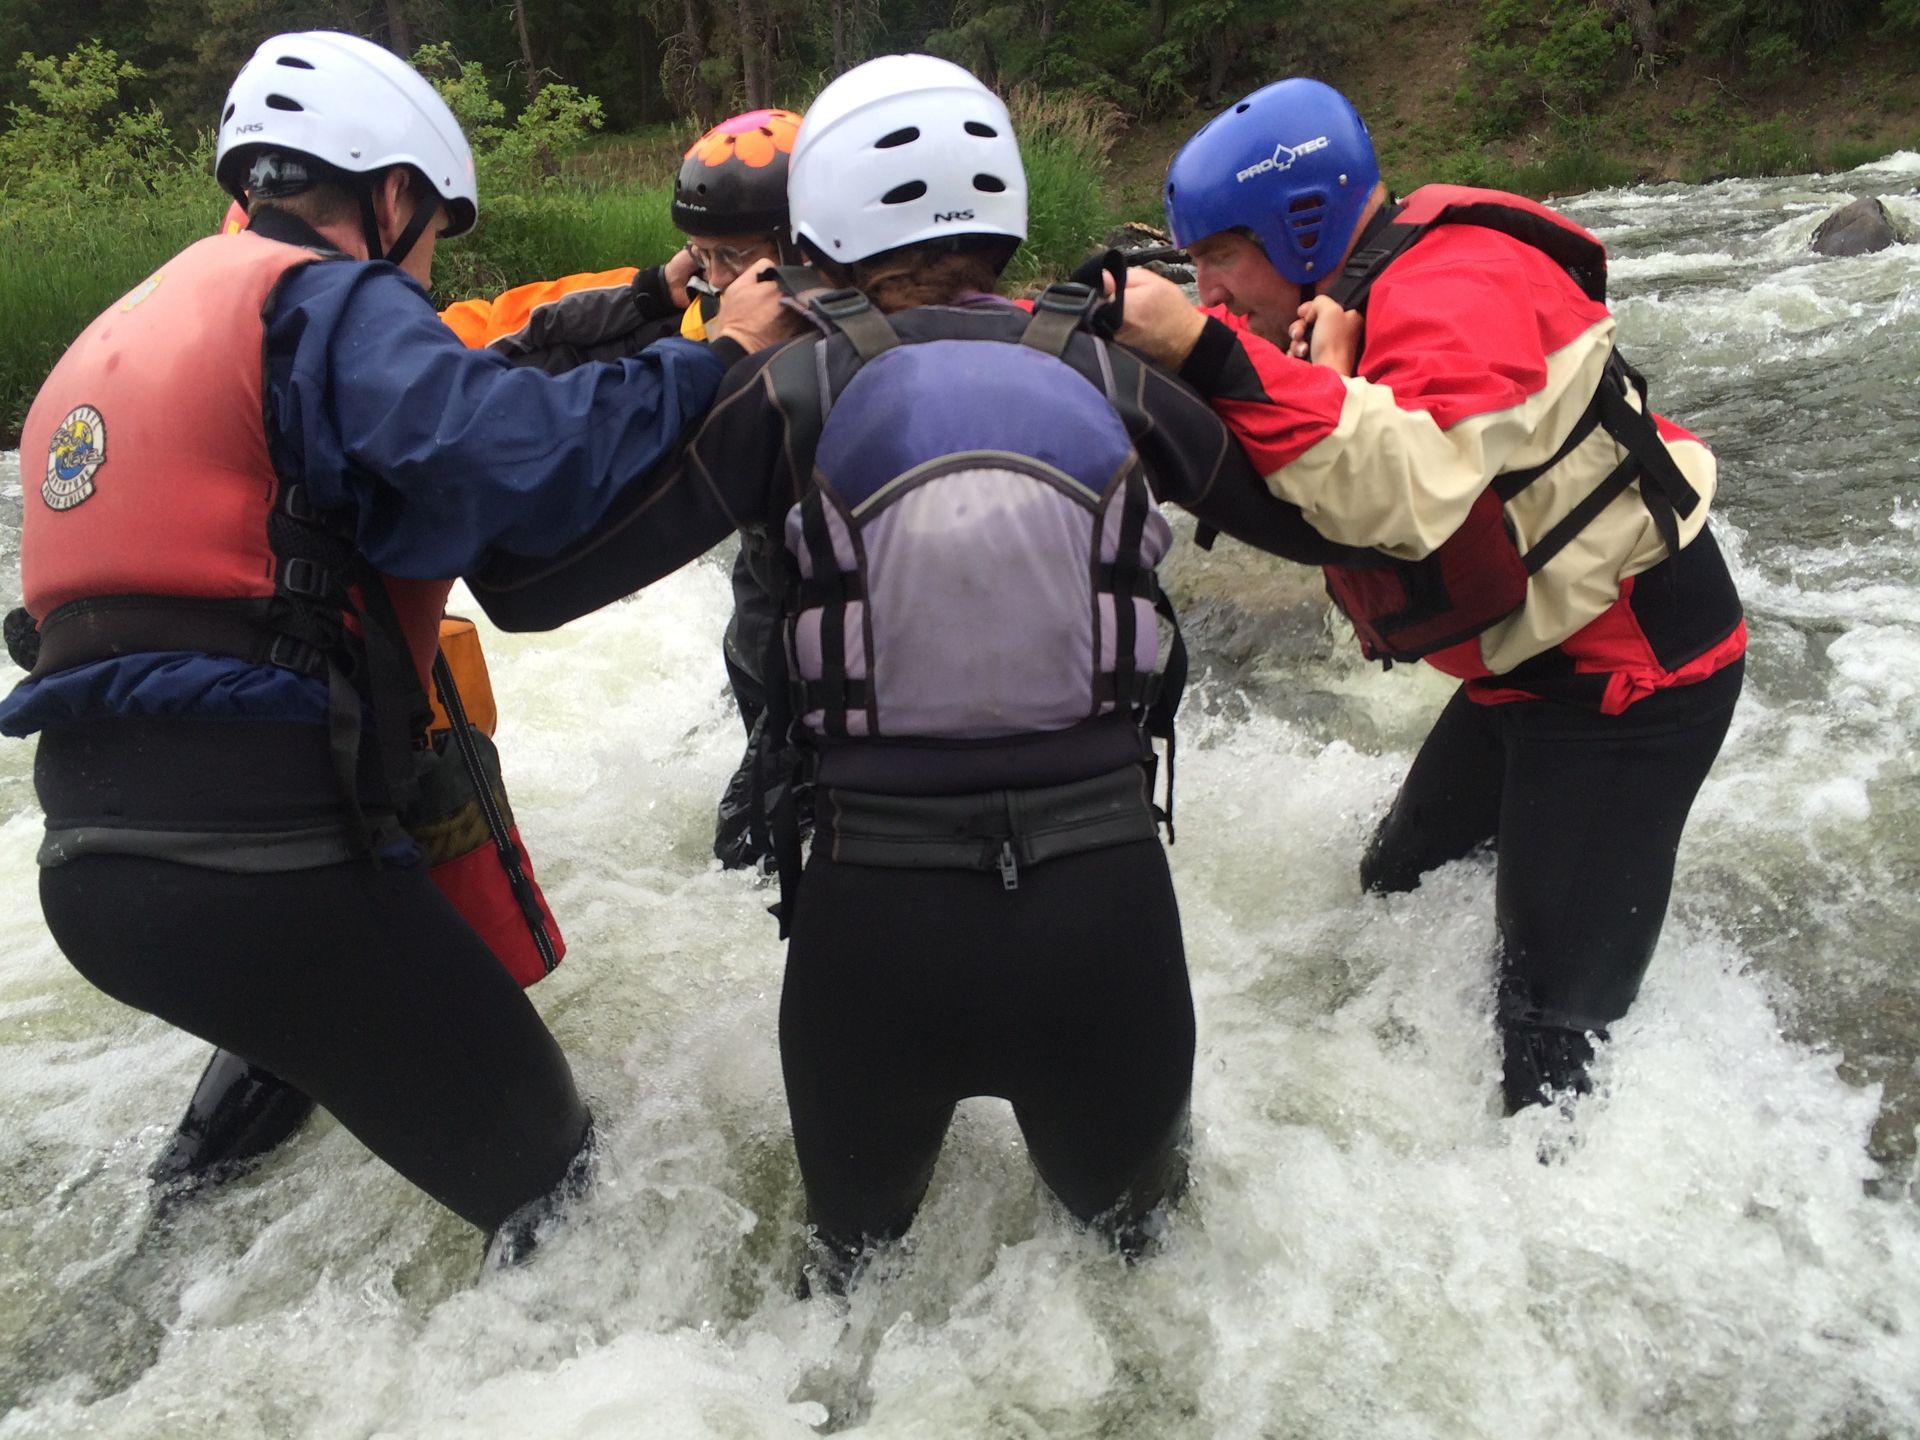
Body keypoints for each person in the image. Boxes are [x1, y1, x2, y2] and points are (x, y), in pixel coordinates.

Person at [467, 55, 1346, 1290]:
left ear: (817, 224)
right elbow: (1323, 528)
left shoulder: (791, 387)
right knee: (1148, 1288)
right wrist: (1227, 357)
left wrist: (713, 356)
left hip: (873, 931)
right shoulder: (1107, 369)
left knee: (846, 1303)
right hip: (1106, 918)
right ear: (1001, 213)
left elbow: (530, 588)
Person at [1, 29, 786, 1259]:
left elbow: (476, 374)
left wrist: (646, 303)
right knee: (566, 1202)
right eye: (430, 237)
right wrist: (724, 356)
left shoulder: (127, 328)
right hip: (269, 858)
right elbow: (519, 456)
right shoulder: (328, 295)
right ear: (393, 192)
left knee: (306, 1033)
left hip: (93, 873)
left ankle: (154, 1271)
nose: (420, 278)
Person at [1118, 77, 1747, 1113]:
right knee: (1396, 889)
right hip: (1528, 668)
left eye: (1218, 257)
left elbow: (1405, 492)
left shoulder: (1456, 286)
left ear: (1299, 221)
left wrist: (1203, 348)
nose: (1209, 290)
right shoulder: (1353, 291)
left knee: (1547, 1042)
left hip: (1633, 676)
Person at [439, 107, 809, 872]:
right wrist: (655, 294)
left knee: (753, 851)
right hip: (769, 640)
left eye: (731, 256)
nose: (713, 277)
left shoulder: (846, 360)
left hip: (848, 689)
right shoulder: (710, 314)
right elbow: (510, 364)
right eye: (699, 254)